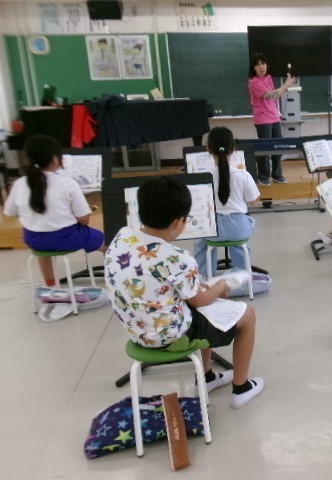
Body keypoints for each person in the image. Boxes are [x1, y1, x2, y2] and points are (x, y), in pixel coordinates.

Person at [104, 176, 264, 408]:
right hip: (171, 337)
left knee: (207, 304)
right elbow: (200, 302)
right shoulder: (177, 258)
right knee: (247, 314)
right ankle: (241, 388)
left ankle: (207, 377)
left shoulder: (122, 237)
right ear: (179, 222)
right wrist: (222, 285)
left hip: (137, 330)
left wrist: (202, 289)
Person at [3, 135, 106, 286]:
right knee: (109, 242)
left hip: (34, 240)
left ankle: (50, 284)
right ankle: (117, 275)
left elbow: (10, 212)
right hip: (67, 239)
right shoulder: (67, 183)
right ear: (55, 159)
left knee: (44, 242)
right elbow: (84, 220)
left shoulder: (19, 184)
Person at [193, 126, 260, 277]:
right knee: (246, 226)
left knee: (200, 239)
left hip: (213, 229)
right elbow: (253, 201)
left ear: (208, 149)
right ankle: (242, 273)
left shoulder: (203, 176)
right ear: (233, 149)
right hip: (238, 228)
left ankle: (203, 275)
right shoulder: (243, 175)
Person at [248, 52, 297, 186]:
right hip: (263, 119)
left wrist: (285, 87)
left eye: (263, 63)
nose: (262, 67)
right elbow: (270, 95)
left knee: (278, 147)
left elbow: (276, 96)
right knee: (265, 149)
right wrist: (286, 85)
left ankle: (277, 174)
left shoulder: (268, 78)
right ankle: (263, 176)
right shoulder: (253, 82)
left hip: (275, 117)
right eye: (258, 65)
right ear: (253, 68)